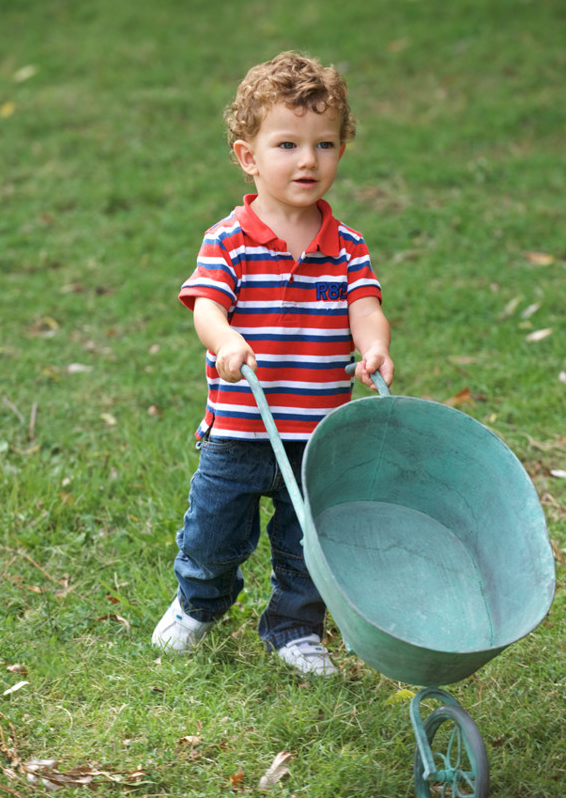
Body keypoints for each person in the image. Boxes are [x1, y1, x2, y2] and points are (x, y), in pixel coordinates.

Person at [152, 51, 394, 675]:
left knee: (307, 543)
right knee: (213, 536)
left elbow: (365, 306)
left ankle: (293, 627)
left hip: (316, 434)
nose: (308, 160)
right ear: (248, 156)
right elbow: (206, 305)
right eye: (287, 144)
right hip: (240, 430)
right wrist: (225, 340)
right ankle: (199, 603)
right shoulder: (228, 238)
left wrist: (373, 345)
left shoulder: (347, 248)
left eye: (325, 144)